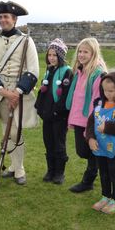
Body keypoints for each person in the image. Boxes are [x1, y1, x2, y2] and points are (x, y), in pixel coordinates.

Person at [0, 1, 39, 185]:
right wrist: (4, 93)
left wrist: (16, 92)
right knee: (5, 132)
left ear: (14, 19)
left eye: (6, 17)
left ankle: (19, 168)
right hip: (1, 94)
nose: (3, 20)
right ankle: (13, 167)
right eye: (0, 17)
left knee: (15, 132)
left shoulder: (26, 40)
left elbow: (33, 71)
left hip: (20, 93)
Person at [66, 38, 108, 193]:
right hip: (78, 118)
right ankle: (94, 174)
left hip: (89, 120)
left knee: (91, 151)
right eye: (80, 51)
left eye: (86, 52)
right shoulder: (79, 72)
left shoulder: (97, 74)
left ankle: (88, 180)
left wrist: (91, 127)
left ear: (93, 53)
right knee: (82, 151)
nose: (82, 55)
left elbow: (97, 102)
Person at [86, 72, 115, 214]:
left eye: (111, 91)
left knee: (114, 172)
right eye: (105, 90)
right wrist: (91, 138)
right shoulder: (99, 106)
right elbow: (90, 123)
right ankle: (105, 196)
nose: (108, 94)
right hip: (99, 146)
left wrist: (108, 127)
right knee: (103, 172)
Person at [35, 38, 73, 184]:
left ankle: (59, 173)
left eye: (54, 55)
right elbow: (43, 91)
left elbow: (65, 95)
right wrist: (40, 108)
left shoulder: (66, 72)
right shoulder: (49, 70)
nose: (51, 58)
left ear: (61, 56)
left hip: (58, 116)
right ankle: (50, 170)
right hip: (47, 115)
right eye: (49, 55)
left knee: (59, 143)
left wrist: (59, 111)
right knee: (48, 142)